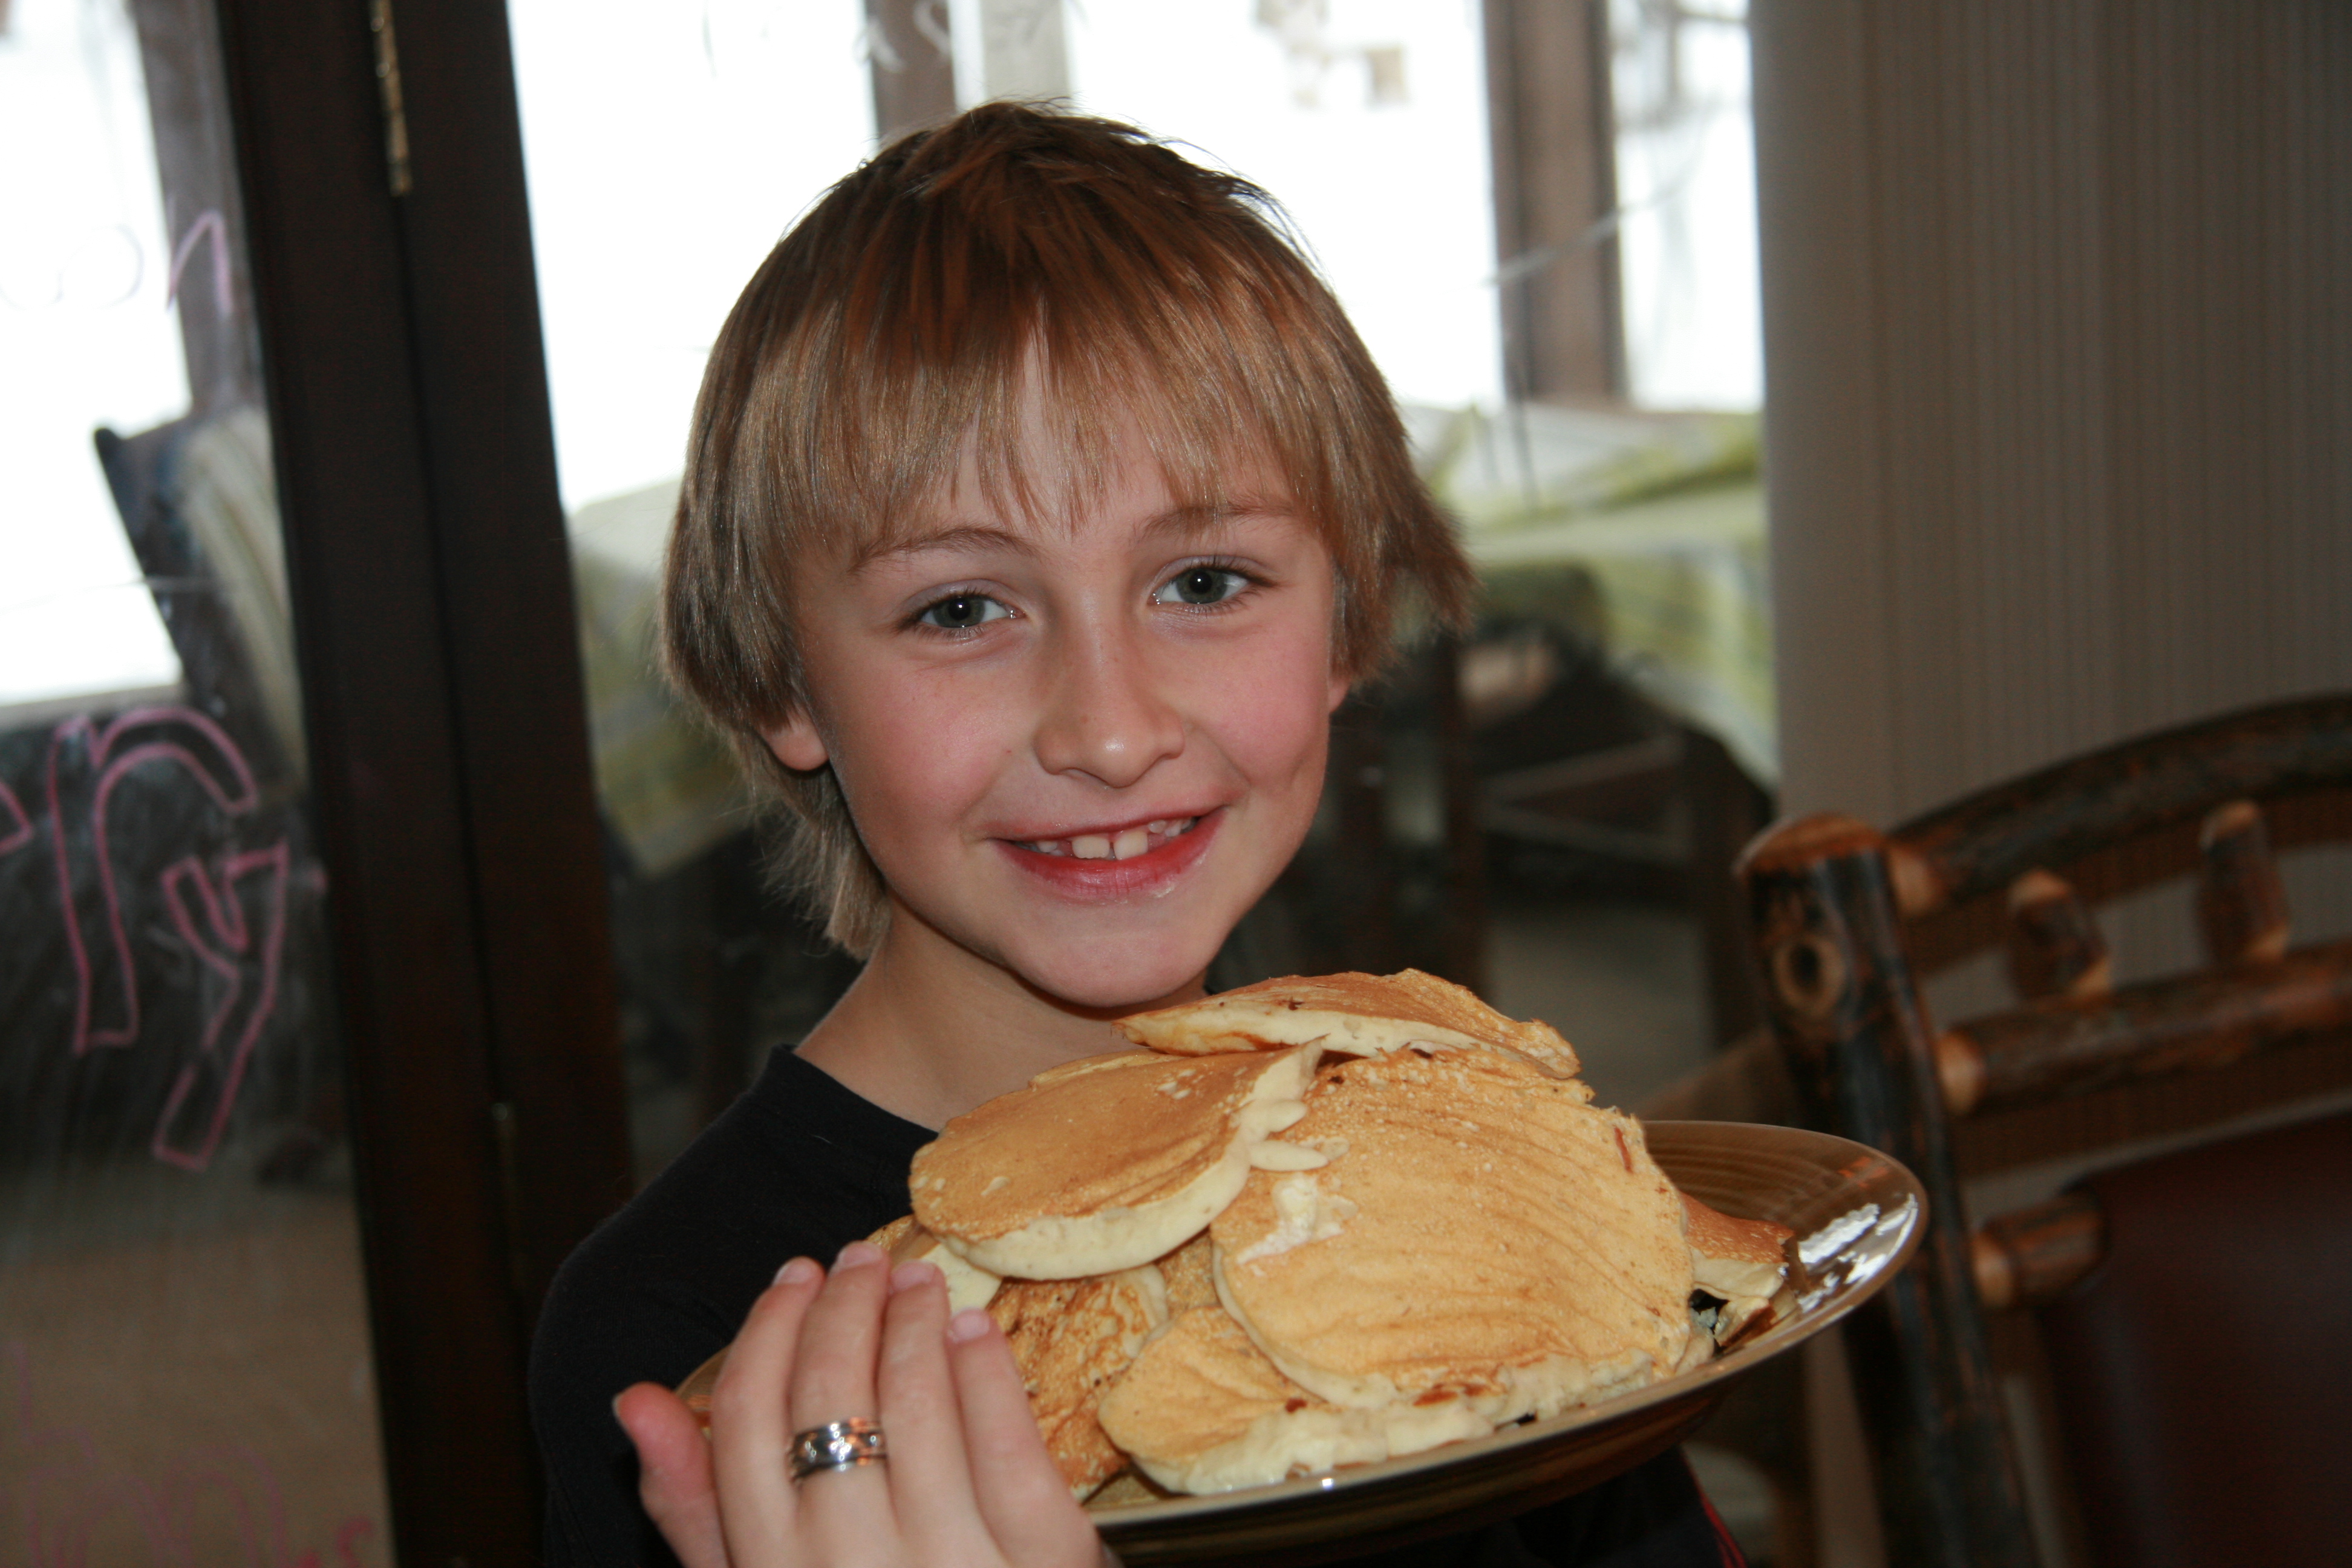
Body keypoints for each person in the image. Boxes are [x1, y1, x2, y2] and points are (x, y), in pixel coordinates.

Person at [529, 103, 1744, 1568]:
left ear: (1348, 619)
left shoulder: (1469, 1173)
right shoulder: (684, 1349)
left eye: (1206, 583)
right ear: (783, 682)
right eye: (961, 609)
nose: (1109, 733)